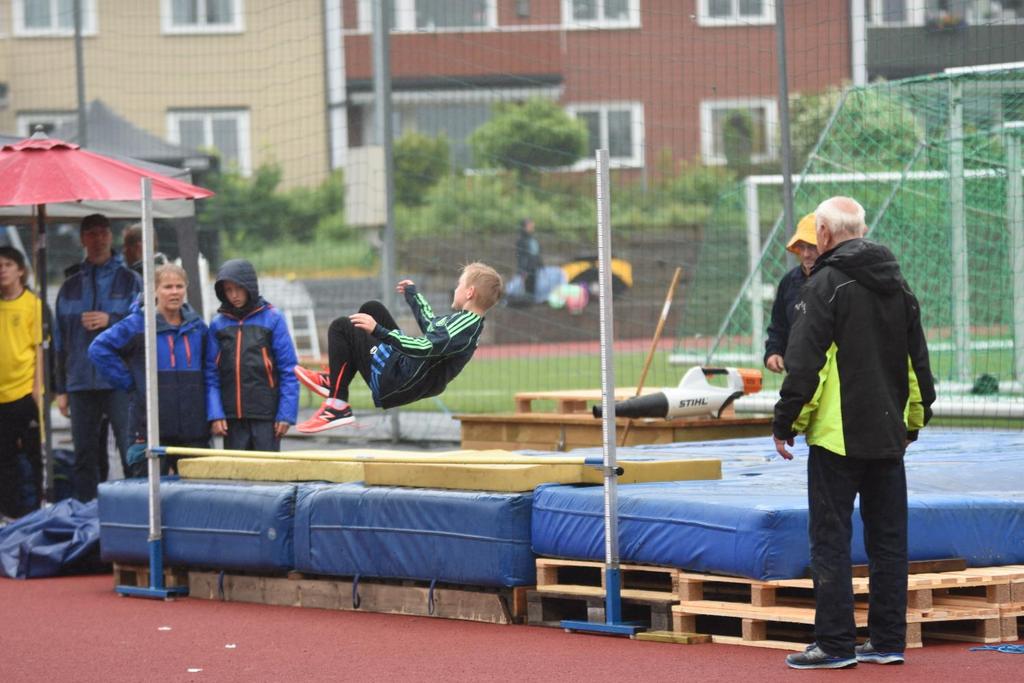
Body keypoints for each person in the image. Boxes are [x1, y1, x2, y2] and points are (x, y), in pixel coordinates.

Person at [771, 197, 935, 670]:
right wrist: (913, 421)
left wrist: (785, 421)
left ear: (823, 233)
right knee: (888, 540)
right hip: (888, 434)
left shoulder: (825, 284)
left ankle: (835, 644)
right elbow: (917, 363)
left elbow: (805, 362)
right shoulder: (897, 285)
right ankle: (886, 641)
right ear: (861, 230)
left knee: (830, 537)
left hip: (837, 436)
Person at [294, 262, 503, 433]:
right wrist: (414, 296)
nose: (455, 288)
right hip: (405, 371)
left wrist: (379, 331)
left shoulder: (462, 328)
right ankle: (335, 383)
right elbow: (431, 325)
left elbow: (424, 346)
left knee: (342, 327)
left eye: (459, 285)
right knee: (372, 308)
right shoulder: (464, 323)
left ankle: (337, 406)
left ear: (470, 292)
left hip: (398, 380)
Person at [88, 264, 210, 477]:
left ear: (186, 289)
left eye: (179, 286)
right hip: (148, 428)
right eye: (167, 287)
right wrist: (130, 382)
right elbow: (98, 349)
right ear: (153, 290)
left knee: (197, 496)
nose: (174, 292)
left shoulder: (198, 327)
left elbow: (211, 371)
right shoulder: (137, 325)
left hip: (193, 430)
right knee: (149, 495)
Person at [54, 214, 142, 501]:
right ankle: (84, 517)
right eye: (91, 233)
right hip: (80, 381)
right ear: (82, 239)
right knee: (84, 457)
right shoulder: (69, 286)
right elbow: (59, 341)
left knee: (131, 452)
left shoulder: (131, 280)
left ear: (111, 237)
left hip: (120, 380)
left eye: (103, 232)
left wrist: (111, 319)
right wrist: (60, 388)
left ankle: (135, 513)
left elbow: (143, 328)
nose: (98, 238)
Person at [205, 259, 299, 451]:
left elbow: (289, 370)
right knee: (237, 476)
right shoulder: (217, 325)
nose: (234, 295)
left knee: (269, 475)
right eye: (228, 290)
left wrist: (286, 414)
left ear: (250, 287)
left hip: (267, 417)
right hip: (231, 420)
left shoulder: (273, 318)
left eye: (238, 288)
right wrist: (216, 413)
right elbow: (211, 374)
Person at [0, 246, 43, 519]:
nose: (2, 270)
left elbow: (40, 350)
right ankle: (8, 513)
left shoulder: (33, 305)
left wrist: (36, 393)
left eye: (7, 264)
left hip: (23, 393)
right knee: (4, 460)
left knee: (31, 456)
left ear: (20, 270)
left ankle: (34, 511)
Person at [764, 212, 818, 374]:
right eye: (801, 247)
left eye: (812, 247)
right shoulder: (789, 281)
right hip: (797, 374)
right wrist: (774, 351)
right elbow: (778, 325)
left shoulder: (835, 281)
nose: (806, 254)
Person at [515, 218, 542, 300]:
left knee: (533, 285)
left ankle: (530, 299)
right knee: (527, 286)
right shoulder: (522, 240)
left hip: (534, 266)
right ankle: (526, 301)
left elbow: (537, 253)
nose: (532, 228)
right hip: (527, 267)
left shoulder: (532, 239)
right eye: (530, 226)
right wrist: (522, 270)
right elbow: (521, 256)